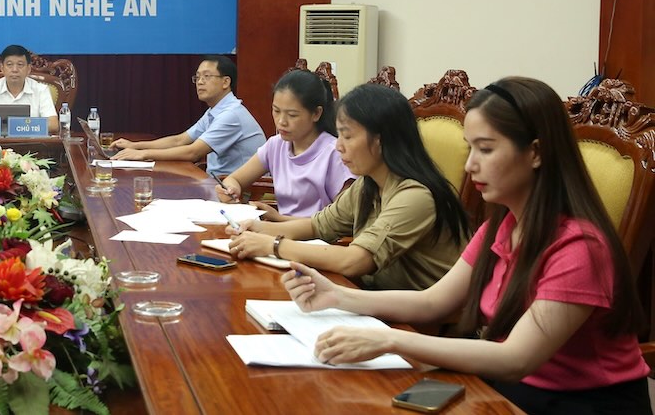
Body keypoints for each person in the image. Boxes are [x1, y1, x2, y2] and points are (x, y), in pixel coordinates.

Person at [282, 77, 651, 414]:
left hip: (578, 403)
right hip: (506, 384)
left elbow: (516, 358)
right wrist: (334, 296)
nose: (470, 166)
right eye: (469, 148)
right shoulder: (502, 226)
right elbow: (433, 301)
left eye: (486, 149)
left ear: (536, 153)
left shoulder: (580, 247)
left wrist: (390, 340)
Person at [227, 83, 469, 291]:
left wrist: (274, 245)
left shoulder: (415, 196)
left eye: (347, 136)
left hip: (428, 325)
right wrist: (260, 228)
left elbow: (355, 261)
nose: (338, 146)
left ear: (380, 140)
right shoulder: (368, 183)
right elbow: (319, 225)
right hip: (380, 300)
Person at [215, 69, 354, 219]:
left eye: (292, 115)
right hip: (279, 233)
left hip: (315, 239)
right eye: (276, 111)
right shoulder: (276, 145)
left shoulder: (334, 153)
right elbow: (234, 179)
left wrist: (279, 219)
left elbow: (341, 220)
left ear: (316, 113)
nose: (281, 121)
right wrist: (230, 189)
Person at [112, 55, 266, 175]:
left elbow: (193, 152)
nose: (200, 82)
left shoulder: (231, 115)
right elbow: (180, 140)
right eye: (197, 77)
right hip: (220, 183)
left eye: (206, 76)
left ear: (225, 82)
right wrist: (134, 146)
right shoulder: (214, 111)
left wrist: (143, 155)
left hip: (243, 191)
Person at [0, 44, 58, 134]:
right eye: (9, 64)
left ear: (28, 69)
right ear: (2, 68)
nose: (15, 69)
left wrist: (19, 127)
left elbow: (54, 125)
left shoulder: (41, 90)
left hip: (31, 144)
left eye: (20, 64)